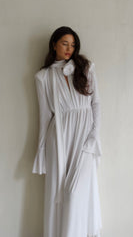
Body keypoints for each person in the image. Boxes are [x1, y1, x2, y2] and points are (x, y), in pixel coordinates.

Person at [32, 26, 102, 237]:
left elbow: (96, 104)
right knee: (58, 195)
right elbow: (45, 116)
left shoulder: (86, 68)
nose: (69, 48)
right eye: (65, 43)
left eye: (73, 45)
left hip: (84, 138)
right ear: (54, 44)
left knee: (76, 194)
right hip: (59, 140)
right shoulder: (43, 77)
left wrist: (94, 137)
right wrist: (42, 150)